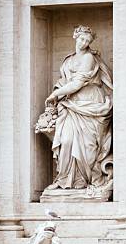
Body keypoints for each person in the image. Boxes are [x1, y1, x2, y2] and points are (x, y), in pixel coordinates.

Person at [45, 25, 113, 191]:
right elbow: (65, 81)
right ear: (75, 36)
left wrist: (55, 94)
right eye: (82, 39)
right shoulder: (68, 60)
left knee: (88, 147)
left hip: (90, 103)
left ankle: (84, 182)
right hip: (71, 105)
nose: (84, 43)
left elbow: (77, 83)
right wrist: (58, 91)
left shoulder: (89, 58)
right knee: (66, 140)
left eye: (88, 41)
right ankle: (63, 179)